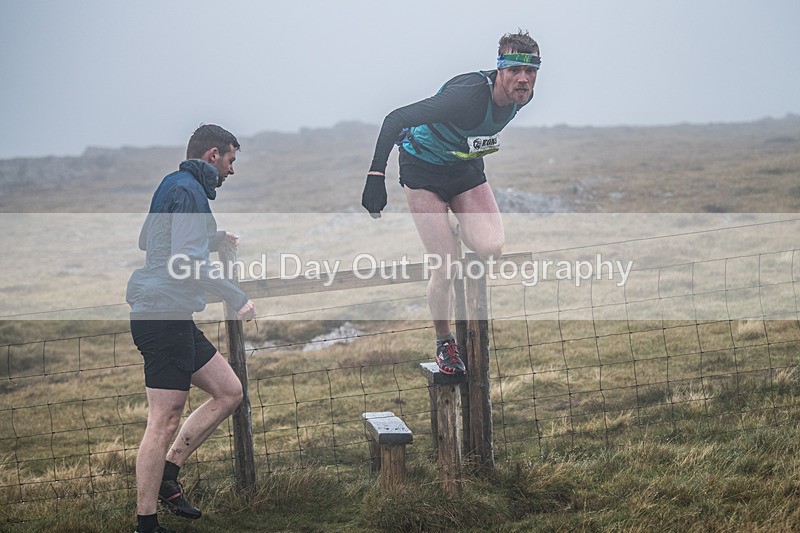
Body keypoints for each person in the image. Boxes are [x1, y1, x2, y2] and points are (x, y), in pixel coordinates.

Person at [361, 30, 540, 375]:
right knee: (446, 267)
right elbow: (395, 118)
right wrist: (375, 176)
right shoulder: (468, 95)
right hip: (422, 169)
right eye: (515, 70)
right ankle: (444, 341)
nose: (523, 79)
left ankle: (456, 225)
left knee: (491, 248)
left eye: (530, 71)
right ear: (499, 69)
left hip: (464, 169)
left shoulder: (524, 96)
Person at [126, 124, 257, 533]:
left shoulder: (173, 184)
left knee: (229, 391)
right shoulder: (190, 191)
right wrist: (236, 296)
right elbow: (186, 262)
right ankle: (146, 523)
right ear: (213, 155)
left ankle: (168, 475)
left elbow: (149, 240)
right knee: (164, 420)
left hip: (173, 316)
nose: (232, 170)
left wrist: (212, 236)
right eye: (230, 160)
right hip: (161, 319)